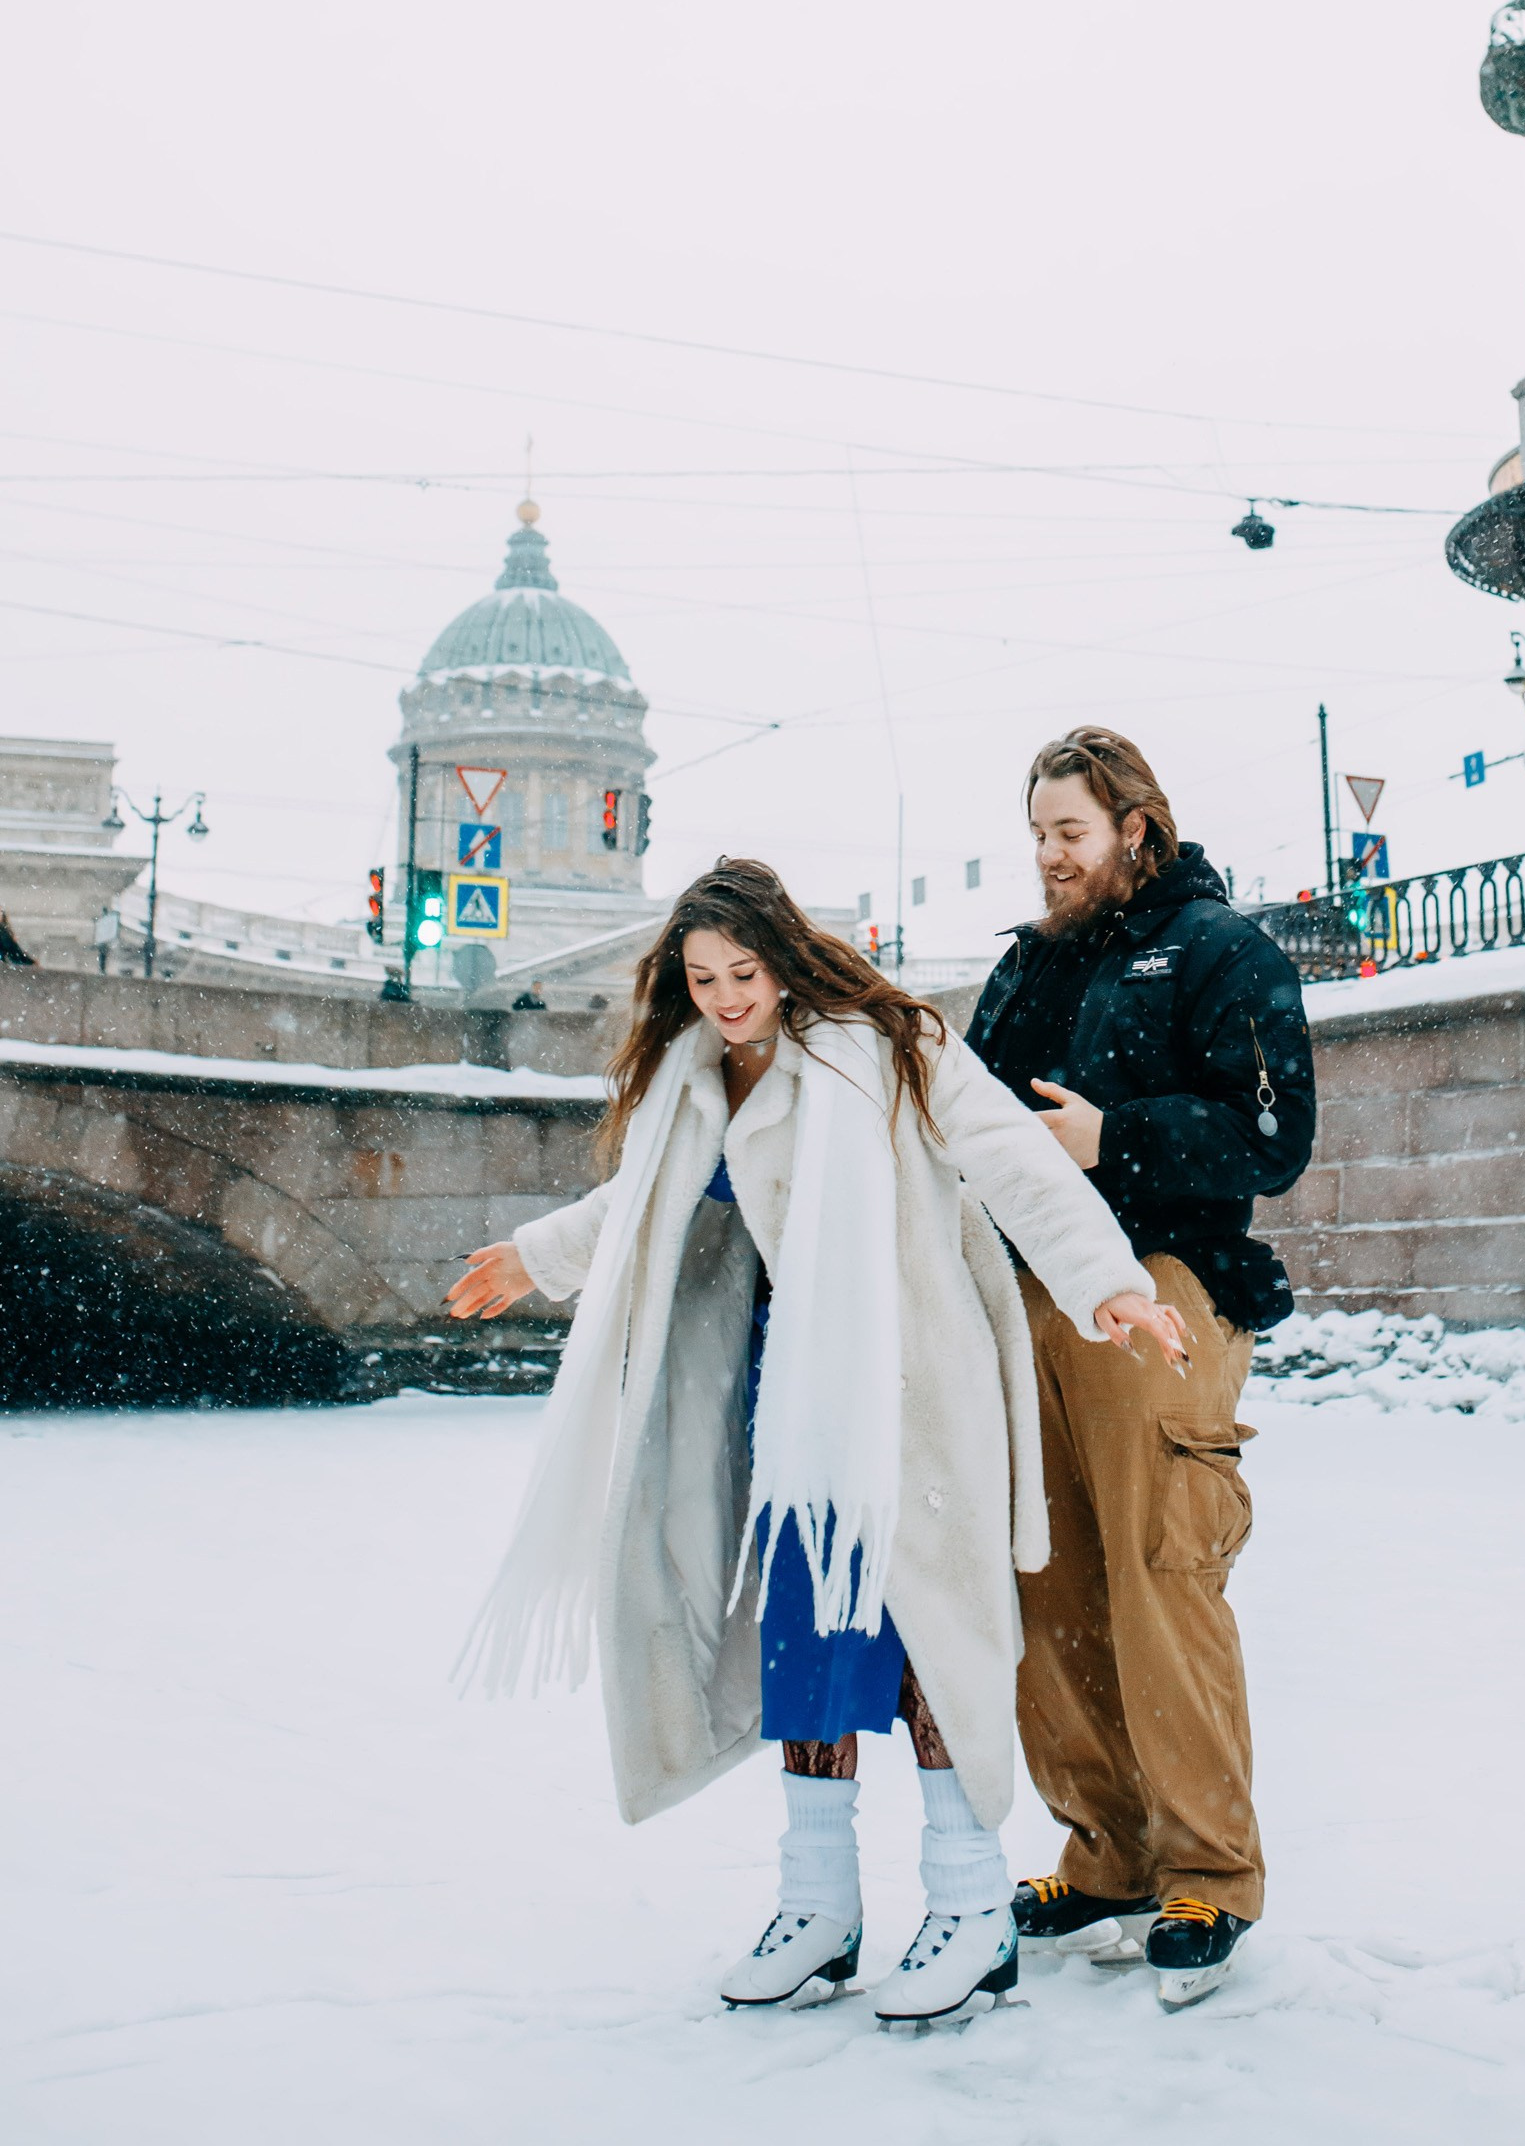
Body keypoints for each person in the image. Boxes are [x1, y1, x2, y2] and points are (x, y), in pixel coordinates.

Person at [447, 856, 1186, 2030]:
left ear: (785, 959)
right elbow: (641, 1201)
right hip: (785, 1410)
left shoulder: (888, 1047)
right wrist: (537, 1256)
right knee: (806, 1644)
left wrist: (1107, 1283)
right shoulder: (694, 1079)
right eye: (703, 978)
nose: (726, 998)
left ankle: (969, 1907)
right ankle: (818, 1904)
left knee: (931, 1637)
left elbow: (1011, 1158)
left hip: (908, 1398)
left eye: (742, 972)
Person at [965, 726, 1315, 2007]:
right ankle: (1104, 1853)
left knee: (1162, 1575)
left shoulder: (1222, 951)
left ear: (1134, 828)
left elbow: (1271, 1138)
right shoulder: (1022, 966)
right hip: (1027, 1296)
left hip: (1162, 1283)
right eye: (1037, 835)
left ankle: (1207, 1874)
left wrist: (1112, 1137)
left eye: (1069, 832)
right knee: (1049, 1584)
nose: (1050, 857)